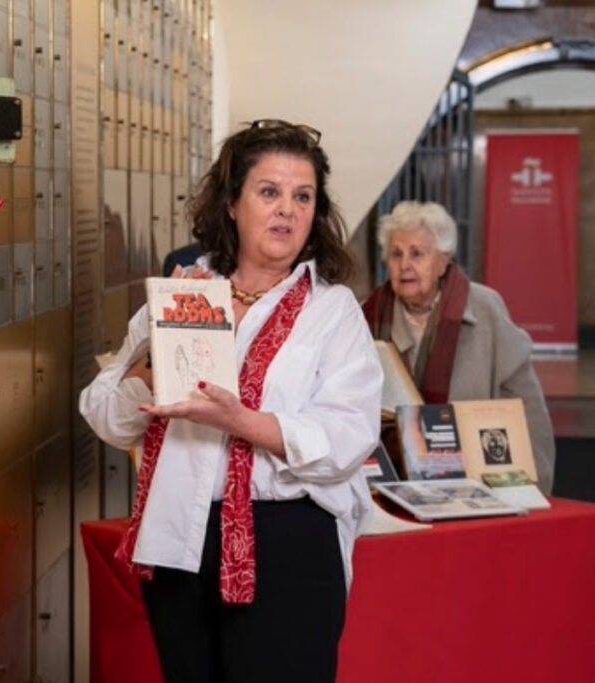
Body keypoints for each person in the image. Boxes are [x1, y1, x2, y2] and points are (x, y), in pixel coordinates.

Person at [79, 119, 382, 682]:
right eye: (269, 192)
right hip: (181, 539)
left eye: (302, 196)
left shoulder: (331, 311)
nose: (286, 210)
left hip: (288, 542)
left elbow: (346, 439)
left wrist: (238, 420)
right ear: (232, 205)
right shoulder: (182, 294)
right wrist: (149, 368)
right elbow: (104, 416)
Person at [362, 201, 555, 493]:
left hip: (478, 478)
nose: (404, 266)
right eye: (395, 254)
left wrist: (536, 483)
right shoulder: (370, 314)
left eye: (417, 254)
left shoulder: (485, 307)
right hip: (395, 479)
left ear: (442, 261)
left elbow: (526, 405)